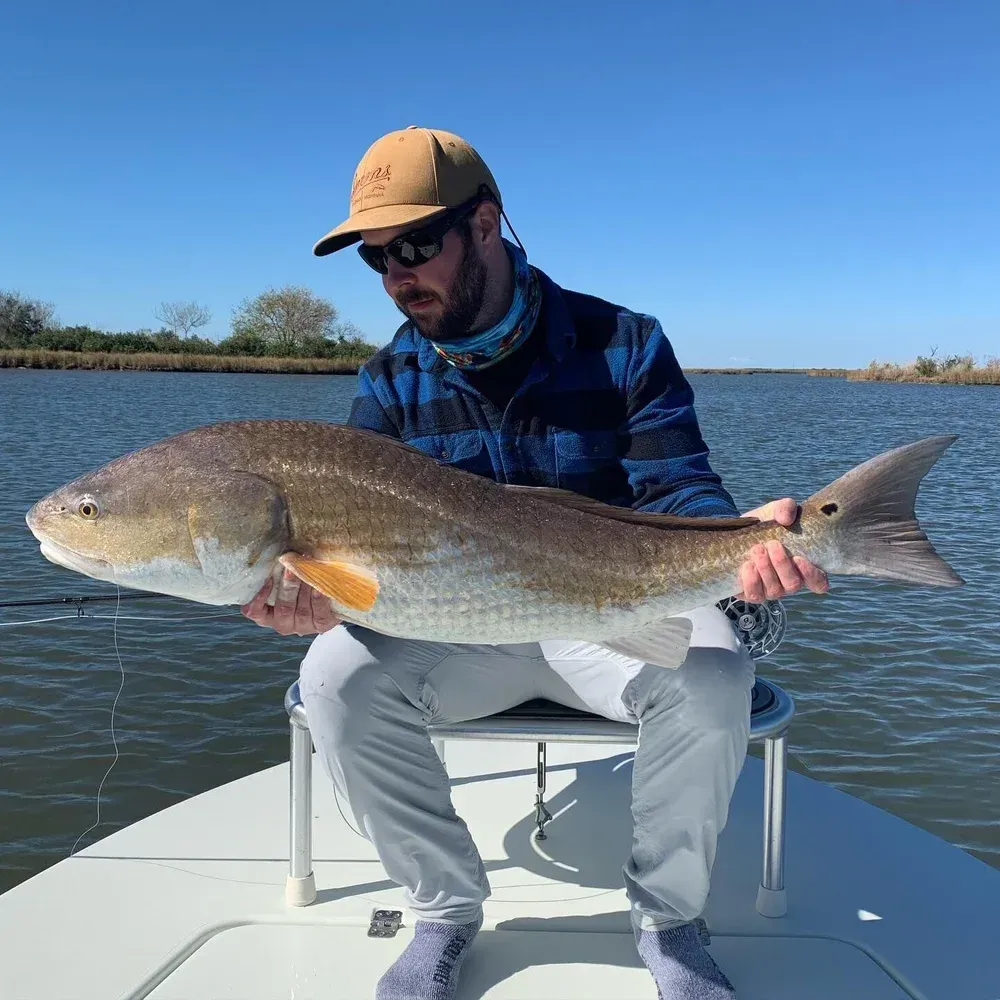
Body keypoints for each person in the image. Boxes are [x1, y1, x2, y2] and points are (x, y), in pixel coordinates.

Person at [242, 127, 828, 1000]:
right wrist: (315, 598)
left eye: (412, 245)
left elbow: (678, 492)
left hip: (610, 613)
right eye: (376, 260)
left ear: (483, 225)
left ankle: (669, 922)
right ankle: (443, 912)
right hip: (461, 629)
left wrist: (743, 540)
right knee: (333, 676)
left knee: (713, 675)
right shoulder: (389, 382)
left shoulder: (623, 341)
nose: (397, 275)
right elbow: (353, 553)